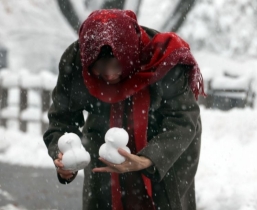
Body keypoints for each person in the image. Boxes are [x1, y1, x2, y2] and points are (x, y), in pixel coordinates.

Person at [43, 9, 205, 210]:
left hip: (163, 145)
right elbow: (62, 119)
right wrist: (64, 156)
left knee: (164, 201)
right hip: (104, 141)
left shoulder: (164, 58)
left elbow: (183, 119)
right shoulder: (76, 61)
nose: (109, 75)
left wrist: (148, 159)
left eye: (116, 65)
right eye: (100, 69)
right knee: (104, 200)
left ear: (129, 54)